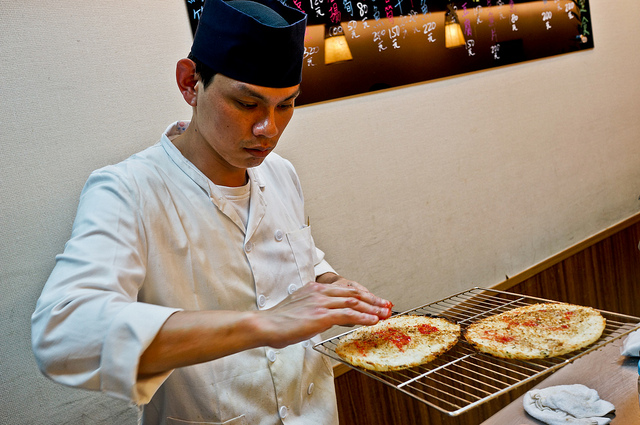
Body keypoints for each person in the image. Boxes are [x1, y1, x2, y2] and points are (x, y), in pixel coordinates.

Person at [31, 0, 392, 424]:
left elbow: (299, 259)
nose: (269, 129)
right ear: (190, 83)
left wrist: (329, 283)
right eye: (247, 104)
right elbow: (62, 333)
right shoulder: (128, 190)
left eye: (285, 105)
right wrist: (263, 324)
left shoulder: (280, 172)